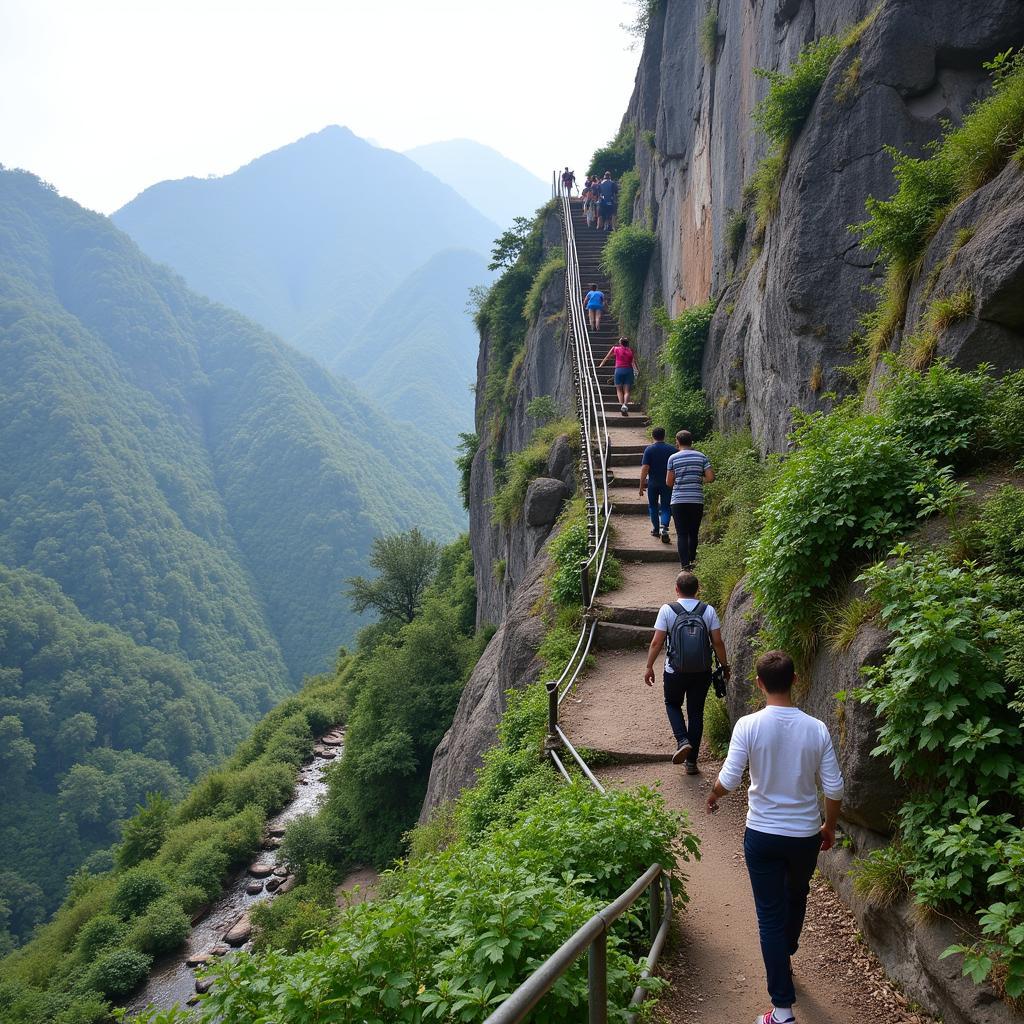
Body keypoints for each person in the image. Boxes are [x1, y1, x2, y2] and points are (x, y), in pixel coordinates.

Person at [706, 650, 845, 1024]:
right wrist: (828, 827)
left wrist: (714, 795)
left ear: (759, 684)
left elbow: (731, 778)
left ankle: (782, 1010)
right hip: (804, 836)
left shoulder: (749, 726)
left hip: (763, 834)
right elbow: (834, 787)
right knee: (797, 895)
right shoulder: (816, 728)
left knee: (769, 916)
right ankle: (786, 956)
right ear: (795, 681)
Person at [643, 571, 730, 774]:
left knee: (672, 703)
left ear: (676, 589)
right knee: (696, 712)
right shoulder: (708, 611)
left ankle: (682, 740)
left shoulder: (667, 610)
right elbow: (717, 642)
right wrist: (725, 667)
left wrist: (649, 666)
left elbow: (657, 642)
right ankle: (692, 762)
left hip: (674, 670)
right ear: (697, 589)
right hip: (702, 671)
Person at [666, 429, 714, 570]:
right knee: (693, 532)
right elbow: (710, 477)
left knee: (682, 533)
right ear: (691, 441)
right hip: (696, 500)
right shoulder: (701, 456)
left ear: (677, 441)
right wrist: (698, 479)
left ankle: (684, 566)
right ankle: (692, 560)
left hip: (678, 501)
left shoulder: (673, 458)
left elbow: (669, 482)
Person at [639, 426, 675, 543]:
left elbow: (645, 468)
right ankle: (664, 527)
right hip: (667, 483)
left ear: (652, 436)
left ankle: (655, 529)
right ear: (664, 436)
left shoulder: (649, 450)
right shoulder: (672, 450)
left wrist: (641, 485)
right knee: (666, 506)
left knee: (653, 506)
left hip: (653, 483)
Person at [598, 336, 636, 415]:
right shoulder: (630, 350)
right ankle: (625, 405)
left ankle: (622, 406)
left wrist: (601, 364)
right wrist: (637, 370)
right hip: (628, 370)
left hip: (619, 370)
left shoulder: (616, 349)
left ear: (620, 343)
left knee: (619, 390)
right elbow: (633, 362)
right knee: (627, 391)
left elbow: (608, 357)